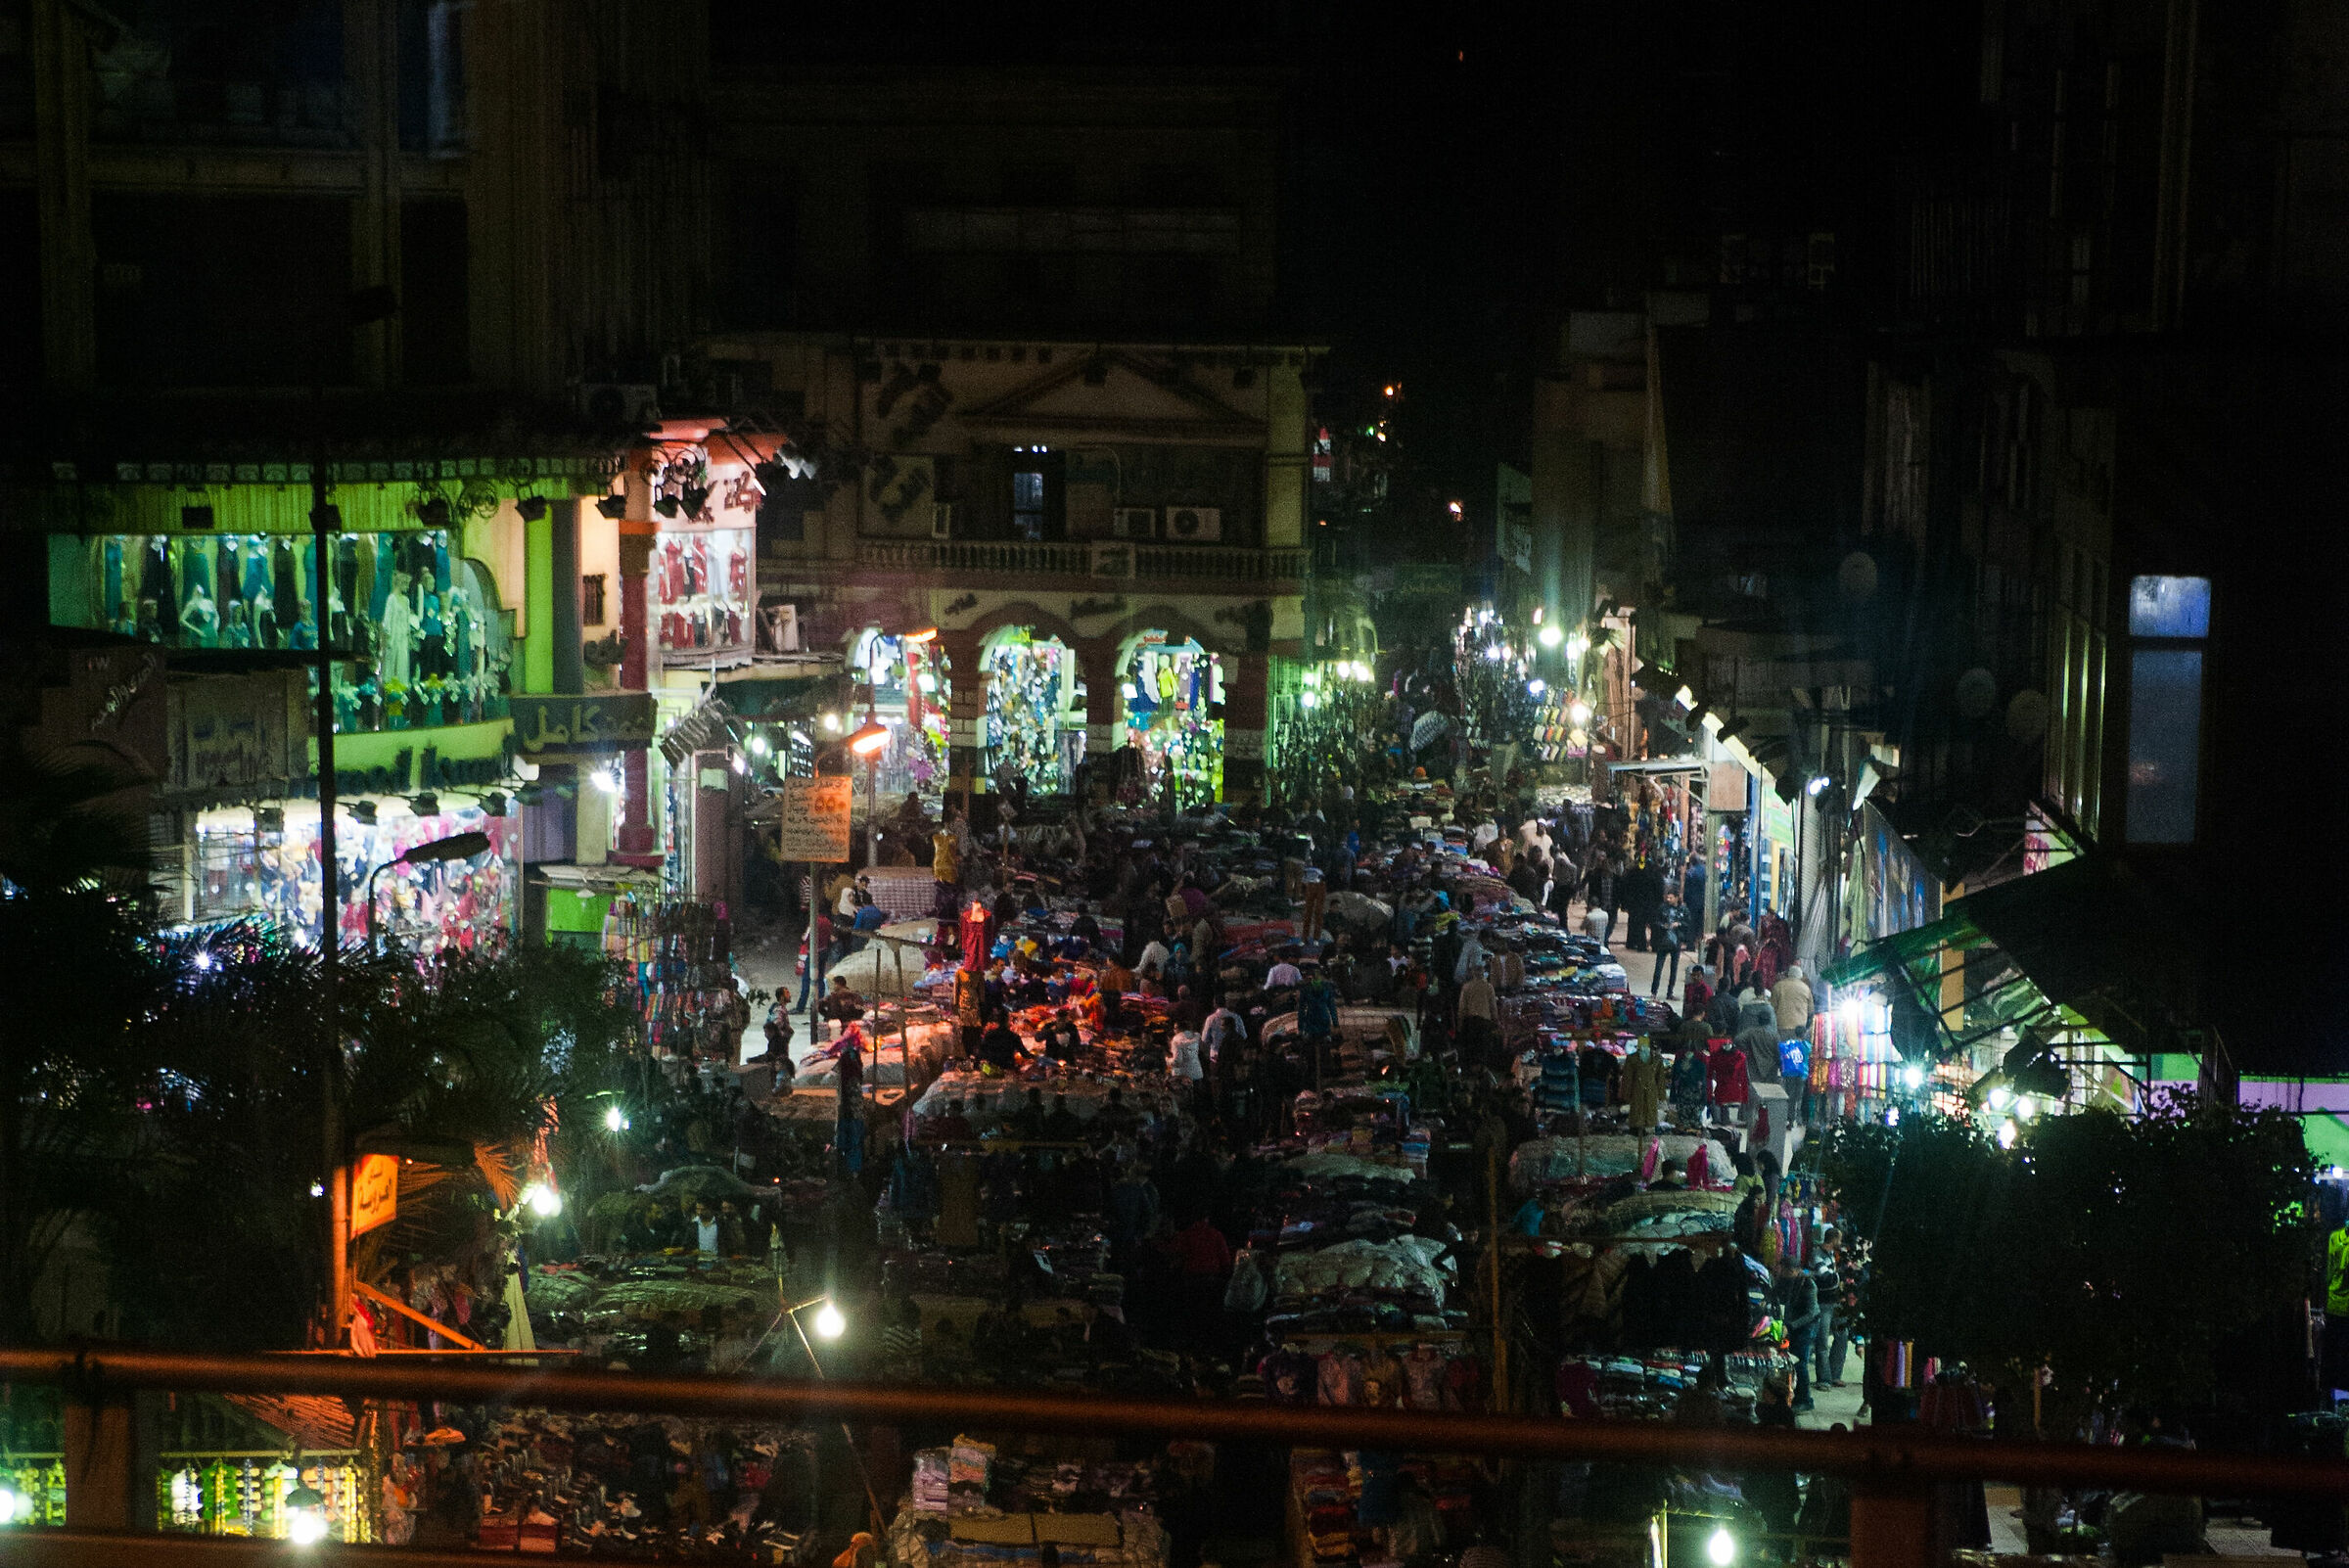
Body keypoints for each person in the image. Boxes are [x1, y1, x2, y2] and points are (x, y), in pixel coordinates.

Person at [1777, 1259, 1820, 1410]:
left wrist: (1790, 1325)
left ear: (1794, 1270)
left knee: (1800, 1362)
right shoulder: (1787, 1280)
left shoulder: (1808, 1284)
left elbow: (1811, 1313)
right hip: (1793, 1325)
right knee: (1791, 1361)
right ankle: (1794, 1395)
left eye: (1786, 1271)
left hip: (1807, 1326)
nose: (1783, 1274)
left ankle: (1805, 1400)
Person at [1649, 891, 1684, 996]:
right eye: (1667, 897)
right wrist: (1663, 926)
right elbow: (1655, 921)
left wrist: (1679, 924)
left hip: (1676, 942)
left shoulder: (1682, 909)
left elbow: (1687, 923)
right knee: (1658, 967)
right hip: (1663, 941)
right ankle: (1654, 991)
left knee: (1674, 969)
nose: (1668, 900)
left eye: (1671, 897)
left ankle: (1670, 992)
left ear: (1676, 898)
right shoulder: (1662, 908)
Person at [1772, 962, 1815, 1035]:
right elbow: (1810, 1010)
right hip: (1800, 1029)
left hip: (1782, 1026)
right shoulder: (1806, 988)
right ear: (1800, 976)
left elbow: (1772, 1007)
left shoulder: (1778, 986)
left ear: (1788, 974)